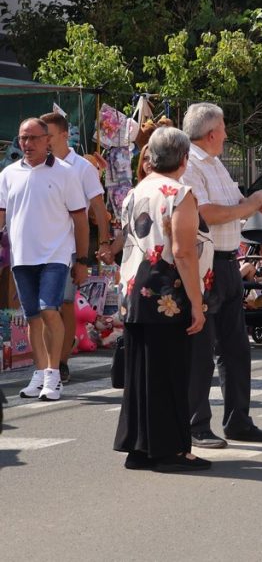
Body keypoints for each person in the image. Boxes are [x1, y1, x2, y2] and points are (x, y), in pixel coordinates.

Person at [113, 127, 213, 472]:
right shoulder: (179, 194)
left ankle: (139, 448)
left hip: (133, 288)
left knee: (141, 373)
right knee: (170, 373)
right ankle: (170, 451)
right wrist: (196, 303)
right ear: (184, 159)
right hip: (166, 292)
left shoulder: (136, 191)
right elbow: (183, 251)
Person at [182, 102, 262, 449]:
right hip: (205, 264)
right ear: (211, 133)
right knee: (201, 350)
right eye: (223, 128)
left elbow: (236, 204)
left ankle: (238, 420)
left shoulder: (215, 162)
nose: (226, 134)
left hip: (227, 263)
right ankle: (196, 424)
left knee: (236, 348)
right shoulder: (190, 164)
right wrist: (249, 205)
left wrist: (257, 201)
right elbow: (205, 213)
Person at [1, 118, 88, 402]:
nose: (27, 144)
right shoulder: (8, 174)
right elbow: (2, 214)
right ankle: (39, 373)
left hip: (56, 255)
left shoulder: (66, 173)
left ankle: (53, 374)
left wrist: (82, 260)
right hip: (22, 256)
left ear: (47, 140)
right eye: (23, 138)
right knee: (33, 317)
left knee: (49, 309)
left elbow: (80, 220)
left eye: (33, 138)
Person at [40, 112, 112, 384]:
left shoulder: (82, 167)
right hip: (41, 247)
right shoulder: (38, 164)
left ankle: (60, 362)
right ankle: (46, 364)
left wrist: (103, 243)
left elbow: (99, 209)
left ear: (63, 135)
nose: (44, 141)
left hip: (70, 246)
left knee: (65, 304)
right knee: (45, 307)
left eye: (48, 135)